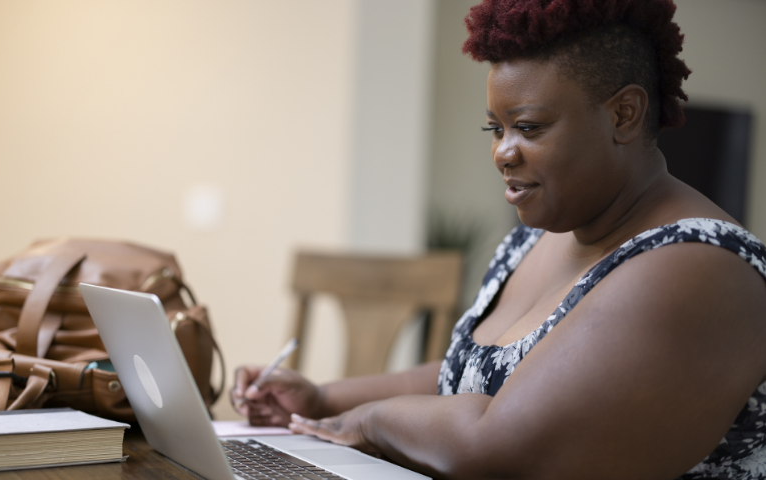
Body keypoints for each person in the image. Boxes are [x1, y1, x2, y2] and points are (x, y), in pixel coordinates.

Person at [231, 0, 766, 478]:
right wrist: (320, 402)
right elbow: (466, 380)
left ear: (623, 114)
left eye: (529, 127)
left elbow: (497, 447)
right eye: (496, 129)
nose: (503, 152)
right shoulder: (538, 237)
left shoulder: (696, 265)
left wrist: (363, 421)